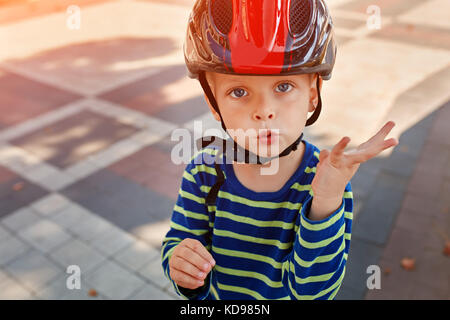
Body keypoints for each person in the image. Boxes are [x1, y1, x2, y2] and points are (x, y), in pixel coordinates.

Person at [161, 0, 398, 300]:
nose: (264, 111)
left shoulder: (324, 183)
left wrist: (324, 203)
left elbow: (313, 293)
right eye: (239, 92)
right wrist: (179, 264)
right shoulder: (203, 172)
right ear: (214, 103)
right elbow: (179, 241)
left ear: (312, 95)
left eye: (283, 87)